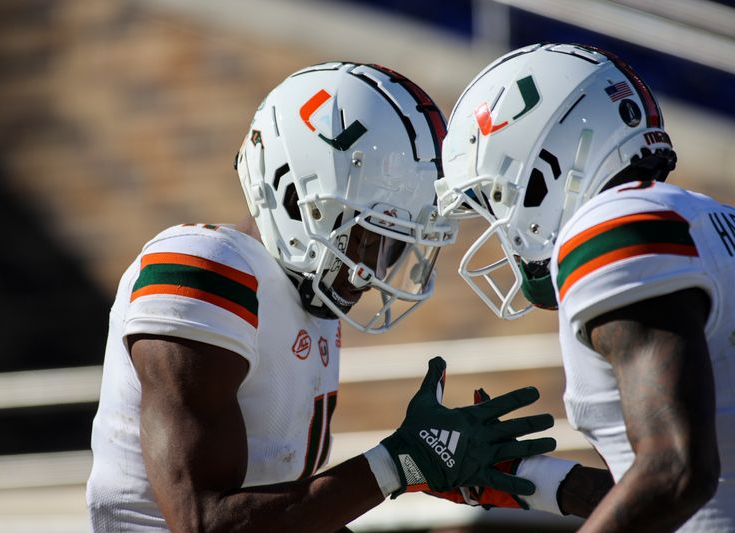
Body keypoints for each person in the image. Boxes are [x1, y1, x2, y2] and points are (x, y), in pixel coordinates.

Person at [85, 61, 558, 532]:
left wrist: (429, 467)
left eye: (395, 246)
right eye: (369, 237)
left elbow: (289, 512)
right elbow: (207, 523)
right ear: (296, 200)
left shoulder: (306, 303)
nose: (374, 271)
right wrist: (399, 464)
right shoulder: (204, 269)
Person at [435, 43, 734, 531]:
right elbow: (696, 486)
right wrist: (532, 477)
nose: (497, 224)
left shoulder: (613, 224)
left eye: (492, 197)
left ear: (544, 164)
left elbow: (677, 473)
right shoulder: (707, 217)